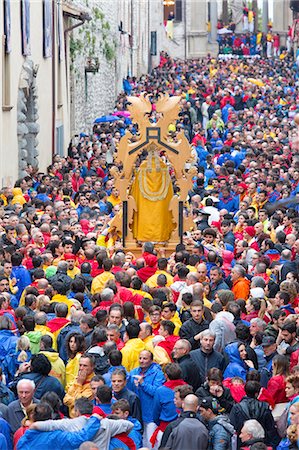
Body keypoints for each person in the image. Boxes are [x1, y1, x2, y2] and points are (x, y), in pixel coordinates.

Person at [28, 397, 134, 450]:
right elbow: (129, 425)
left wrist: (33, 425)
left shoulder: (69, 424)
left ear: (76, 411)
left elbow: (50, 425)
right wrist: (111, 436)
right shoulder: (107, 424)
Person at [16, 402, 102, 450]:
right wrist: (94, 419)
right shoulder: (56, 437)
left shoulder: (23, 438)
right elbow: (80, 438)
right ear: (51, 418)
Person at [128, 350, 165, 448]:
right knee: (139, 441)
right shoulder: (134, 372)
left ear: (151, 360)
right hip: (137, 413)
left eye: (145, 358)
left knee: (150, 442)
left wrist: (143, 384)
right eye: (140, 358)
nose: (141, 361)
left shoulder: (158, 373)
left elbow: (156, 392)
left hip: (151, 414)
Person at [229, 381, 280, 448]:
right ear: (257, 393)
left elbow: (232, 427)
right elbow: (271, 429)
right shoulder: (264, 407)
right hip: (262, 444)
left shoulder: (237, 408)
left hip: (242, 443)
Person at [152, 363, 187, 448]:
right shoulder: (187, 387)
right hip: (183, 429)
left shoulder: (160, 391)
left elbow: (156, 412)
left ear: (166, 375)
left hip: (165, 429)